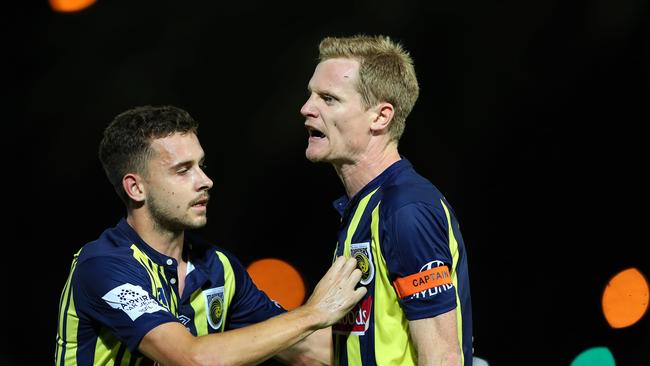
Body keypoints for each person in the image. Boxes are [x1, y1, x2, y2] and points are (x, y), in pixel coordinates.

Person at [55, 105, 366, 366]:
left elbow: (306, 349)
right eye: (183, 170)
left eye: (201, 165)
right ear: (136, 188)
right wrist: (313, 313)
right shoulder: (103, 266)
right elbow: (191, 359)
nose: (205, 180)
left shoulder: (219, 268)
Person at [300, 35, 473, 365]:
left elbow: (442, 356)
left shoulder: (405, 209)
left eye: (329, 99)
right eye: (310, 95)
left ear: (380, 117)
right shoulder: (363, 207)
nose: (307, 108)